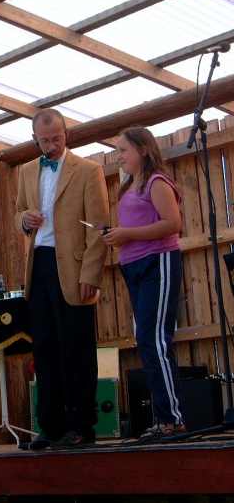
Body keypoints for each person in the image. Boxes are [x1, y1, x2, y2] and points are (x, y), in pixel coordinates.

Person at [15, 109, 109, 449]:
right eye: (45, 140)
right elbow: (18, 212)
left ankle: (81, 425)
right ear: (35, 139)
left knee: (77, 348)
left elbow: (99, 228)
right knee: (44, 348)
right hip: (39, 265)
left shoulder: (88, 170)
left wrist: (91, 273)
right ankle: (50, 426)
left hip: (74, 268)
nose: (51, 145)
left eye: (57, 138)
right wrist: (24, 219)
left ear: (66, 135)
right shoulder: (26, 171)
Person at [103, 126, 185, 442]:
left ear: (143, 150)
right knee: (146, 340)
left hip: (157, 263)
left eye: (123, 150)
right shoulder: (128, 187)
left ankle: (171, 420)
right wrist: (118, 236)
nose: (119, 156)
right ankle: (163, 418)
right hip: (133, 267)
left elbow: (172, 223)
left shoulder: (157, 182)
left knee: (155, 339)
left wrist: (128, 234)